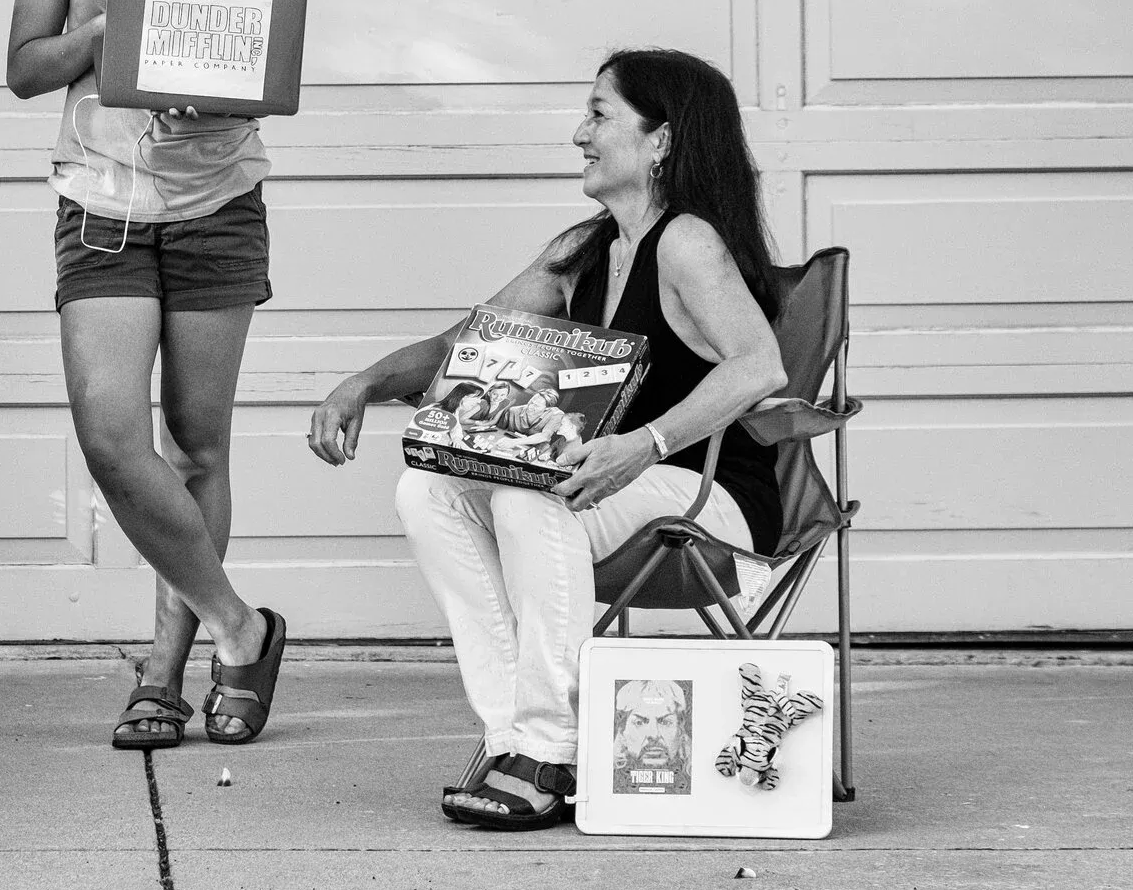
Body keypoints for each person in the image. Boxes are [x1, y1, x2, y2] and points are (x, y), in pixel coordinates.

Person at [306, 48, 788, 828]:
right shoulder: (584, 250)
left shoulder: (687, 241)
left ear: (660, 140)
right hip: (603, 488)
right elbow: (465, 344)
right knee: (427, 489)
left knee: (531, 494)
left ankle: (551, 750)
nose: (579, 134)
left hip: (715, 501)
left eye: (599, 114)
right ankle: (515, 739)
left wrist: (646, 442)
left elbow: (759, 365)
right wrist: (363, 381)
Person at [5, 0, 295, 749]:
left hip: (217, 208)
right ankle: (242, 628)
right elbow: (25, 66)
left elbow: (272, 76)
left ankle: (166, 671)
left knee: (199, 446)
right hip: (102, 208)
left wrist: (202, 92)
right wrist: (113, 33)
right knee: (113, 440)